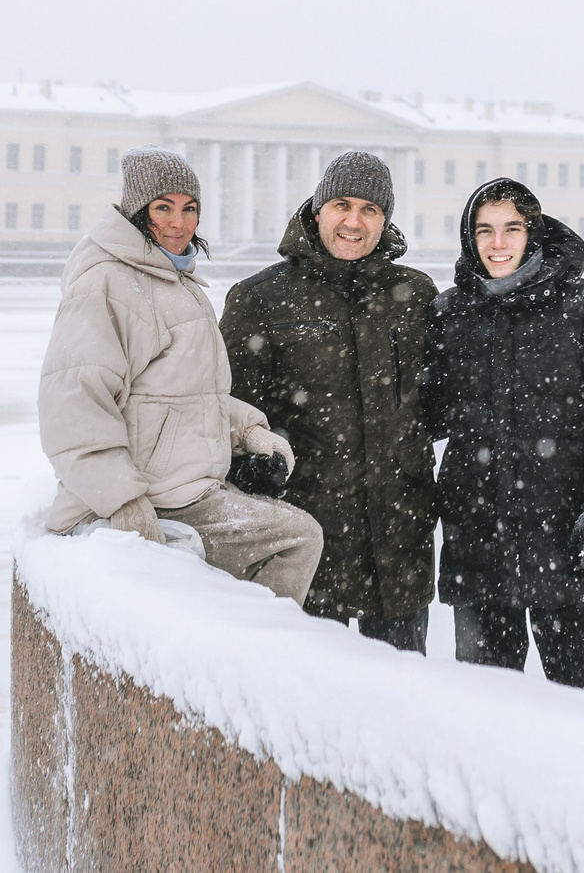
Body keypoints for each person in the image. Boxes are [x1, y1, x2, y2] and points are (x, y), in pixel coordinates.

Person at [37, 148, 322, 604]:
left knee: (288, 532)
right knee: (296, 537)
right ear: (137, 212)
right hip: (152, 497)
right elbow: (74, 403)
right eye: (162, 208)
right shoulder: (109, 283)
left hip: (181, 486)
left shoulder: (172, 281)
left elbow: (183, 393)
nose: (178, 223)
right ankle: (257, 652)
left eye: (190, 209)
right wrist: (122, 501)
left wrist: (246, 429)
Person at [425, 176, 584, 699]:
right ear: (468, 238)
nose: (497, 243)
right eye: (484, 231)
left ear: (534, 233)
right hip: (477, 535)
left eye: (511, 229)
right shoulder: (450, 313)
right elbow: (426, 416)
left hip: (564, 537)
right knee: (486, 701)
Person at [221, 150, 439, 650]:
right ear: (318, 209)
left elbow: (439, 402)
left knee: (405, 692)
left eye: (370, 210)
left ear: (385, 220)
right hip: (307, 533)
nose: (354, 222)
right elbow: (227, 411)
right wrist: (254, 468)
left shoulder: (417, 294)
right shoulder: (261, 298)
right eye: (342, 204)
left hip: (399, 534)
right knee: (315, 694)